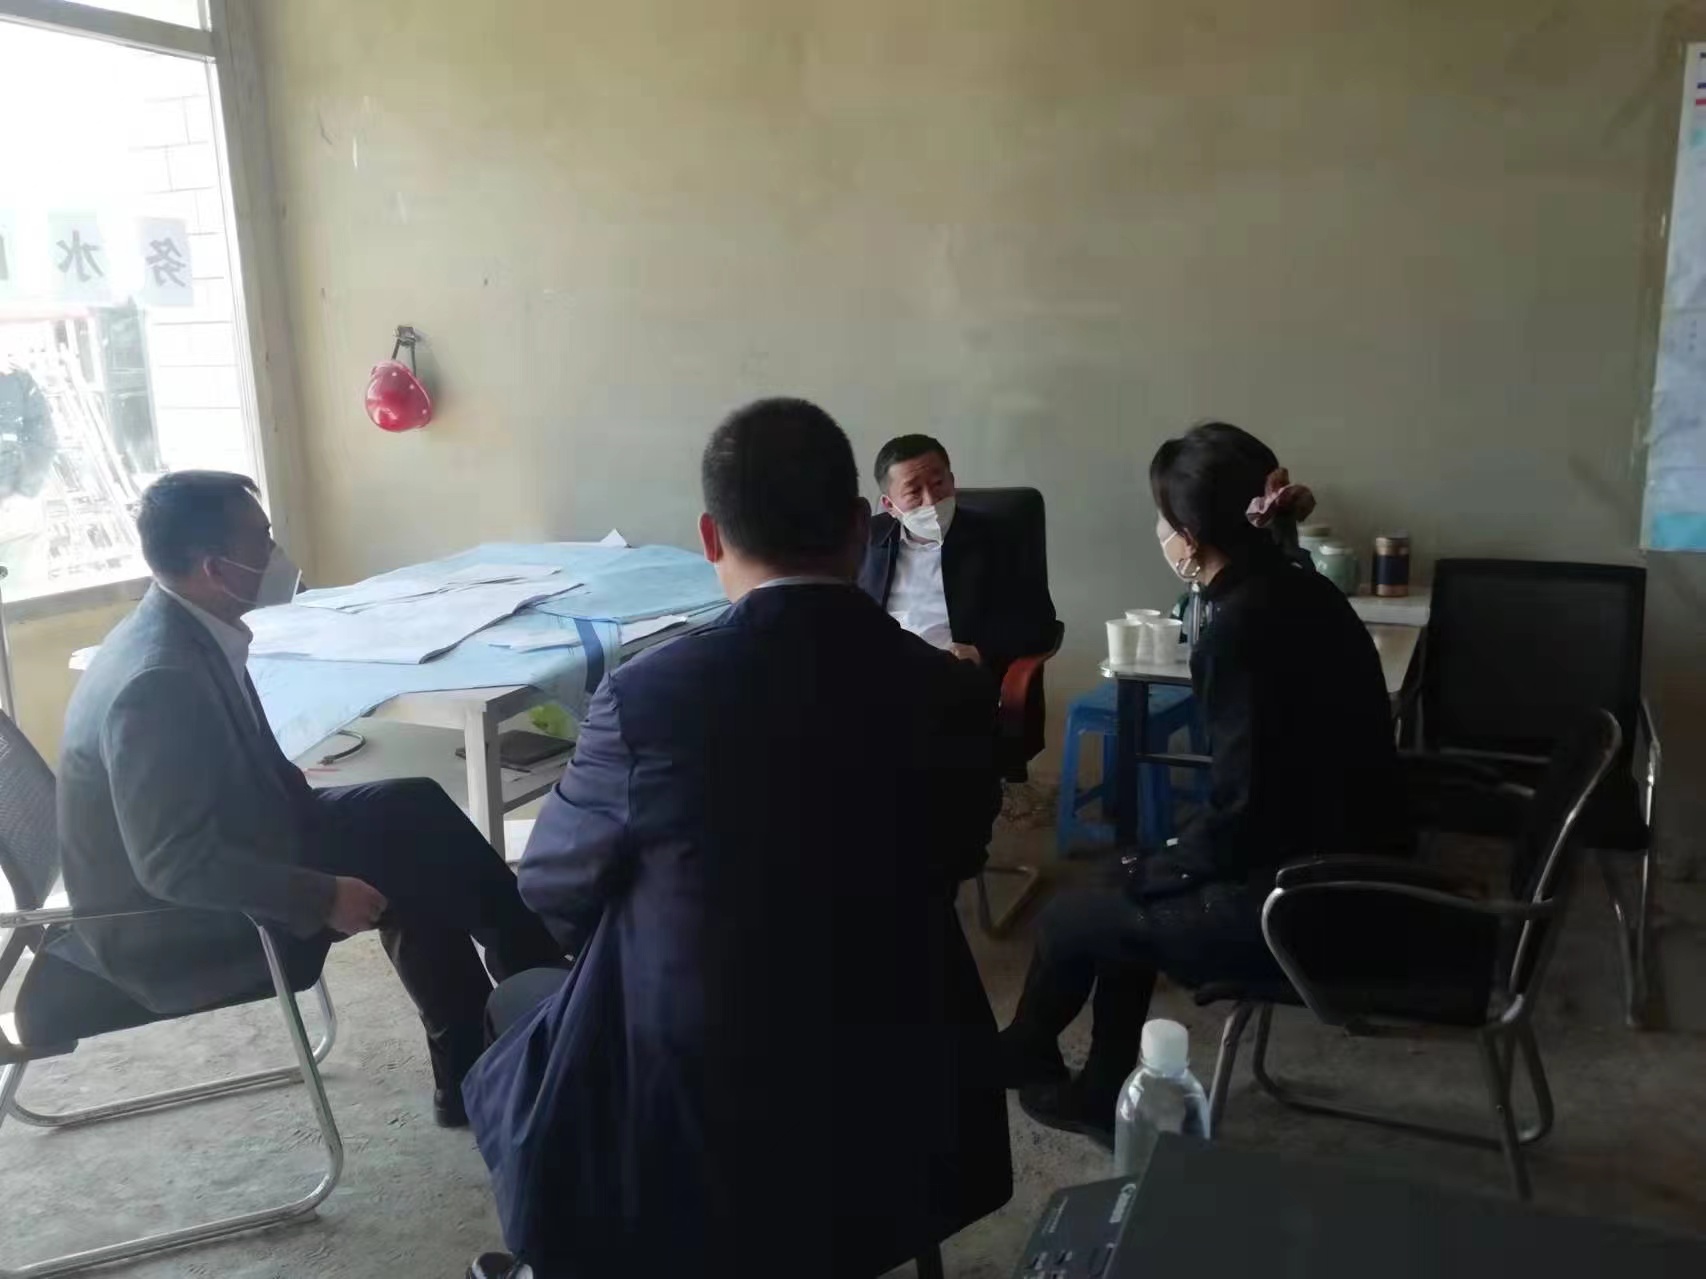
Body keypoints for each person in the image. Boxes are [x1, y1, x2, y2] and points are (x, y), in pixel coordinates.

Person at [462, 399, 1010, 1279]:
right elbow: (956, 854)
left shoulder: (649, 697)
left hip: (705, 1091)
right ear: (861, 526)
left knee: (526, 1008)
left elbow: (553, 885)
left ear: (711, 537)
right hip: (902, 1063)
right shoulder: (949, 691)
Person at [53, 471, 563, 1127]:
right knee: (410, 862)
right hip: (168, 925)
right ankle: (530, 1019)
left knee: (414, 812)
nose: (277, 555)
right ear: (215, 568)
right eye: (262, 541)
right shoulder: (158, 680)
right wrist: (322, 895)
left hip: (241, 835)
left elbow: (257, 772)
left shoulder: (187, 627)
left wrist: (327, 822)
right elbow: (171, 865)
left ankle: (519, 1005)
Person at [999, 422, 1405, 1146]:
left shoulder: (1240, 627)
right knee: (1117, 883)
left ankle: (1041, 1058)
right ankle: (1085, 1081)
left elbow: (1246, 812)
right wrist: (1157, 863)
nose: (1159, 532)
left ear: (1188, 538)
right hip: (1352, 859)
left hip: (1303, 900)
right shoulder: (1302, 586)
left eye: (1163, 519)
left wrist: (1163, 865)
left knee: (1075, 915)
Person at [858, 434, 1057, 687]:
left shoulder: (997, 539)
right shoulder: (866, 538)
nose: (931, 500)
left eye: (938, 483)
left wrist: (980, 651)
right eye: (914, 491)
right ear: (889, 505)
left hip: (951, 676)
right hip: (878, 672)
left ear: (952, 481)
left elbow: (1040, 623)